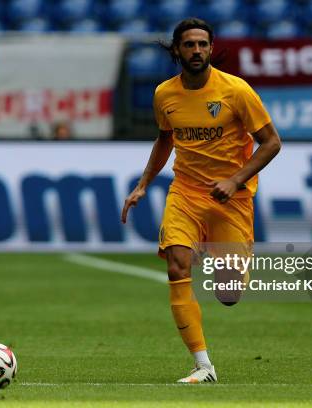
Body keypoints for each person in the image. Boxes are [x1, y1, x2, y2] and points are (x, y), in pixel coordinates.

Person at [121, 18, 281, 384]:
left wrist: (236, 178)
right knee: (177, 265)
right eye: (189, 45)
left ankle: (218, 248)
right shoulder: (165, 94)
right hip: (186, 191)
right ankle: (203, 365)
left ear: (211, 49)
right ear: (176, 50)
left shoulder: (236, 91)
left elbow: (271, 142)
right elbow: (165, 139)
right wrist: (144, 184)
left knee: (228, 292)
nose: (197, 51)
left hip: (232, 196)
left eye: (203, 45)